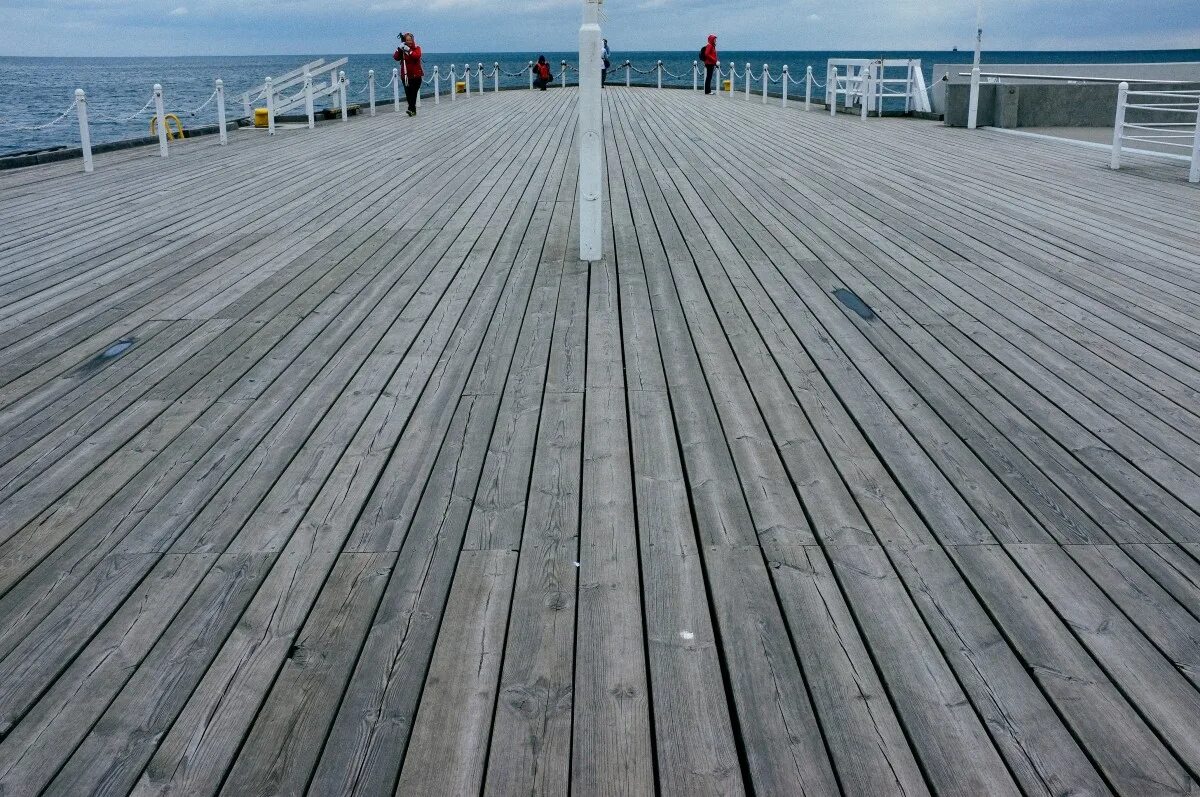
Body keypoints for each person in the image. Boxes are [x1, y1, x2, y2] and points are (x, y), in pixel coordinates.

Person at [393, 32, 424, 116]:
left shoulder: (417, 48)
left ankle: (411, 109)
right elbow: (396, 57)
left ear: (413, 40)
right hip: (406, 76)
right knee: (408, 93)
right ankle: (412, 110)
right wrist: (399, 49)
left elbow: (416, 56)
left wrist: (409, 50)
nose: (409, 41)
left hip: (416, 76)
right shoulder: (402, 50)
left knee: (413, 93)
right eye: (407, 40)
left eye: (410, 40)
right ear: (404, 41)